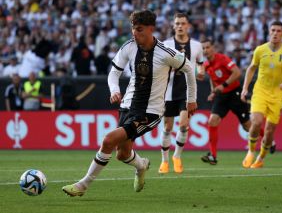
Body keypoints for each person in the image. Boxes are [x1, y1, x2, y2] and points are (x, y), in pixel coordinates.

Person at [62, 10, 197, 197]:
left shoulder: (166, 53)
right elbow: (113, 73)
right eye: (133, 28)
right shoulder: (129, 47)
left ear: (151, 29)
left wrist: (191, 100)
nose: (135, 33)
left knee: (108, 140)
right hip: (127, 106)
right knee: (122, 154)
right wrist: (114, 90)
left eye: (139, 29)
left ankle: (83, 185)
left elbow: (190, 69)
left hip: (150, 112)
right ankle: (142, 166)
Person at [241, 21, 282, 169]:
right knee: (256, 121)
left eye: (279, 31)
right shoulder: (260, 50)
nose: (275, 33)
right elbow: (251, 68)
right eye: (273, 30)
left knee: (269, 131)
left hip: (277, 95)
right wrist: (245, 88)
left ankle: (261, 158)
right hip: (260, 91)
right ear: (269, 32)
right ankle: (251, 151)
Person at [197, 39, 264, 165]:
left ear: (213, 48)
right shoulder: (206, 65)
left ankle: (267, 139)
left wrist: (224, 85)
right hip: (221, 97)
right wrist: (213, 92)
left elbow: (237, 72)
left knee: (248, 126)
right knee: (212, 121)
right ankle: (213, 155)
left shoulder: (222, 59)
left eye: (207, 47)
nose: (205, 50)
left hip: (235, 94)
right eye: (203, 48)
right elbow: (212, 78)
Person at [158, 12, 204, 174]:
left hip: (187, 91)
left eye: (183, 23)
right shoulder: (166, 44)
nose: (180, 26)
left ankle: (176, 157)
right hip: (168, 90)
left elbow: (200, 62)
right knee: (167, 126)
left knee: (184, 125)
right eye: (177, 23)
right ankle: (164, 161)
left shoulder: (197, 45)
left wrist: (201, 71)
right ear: (173, 26)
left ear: (188, 26)